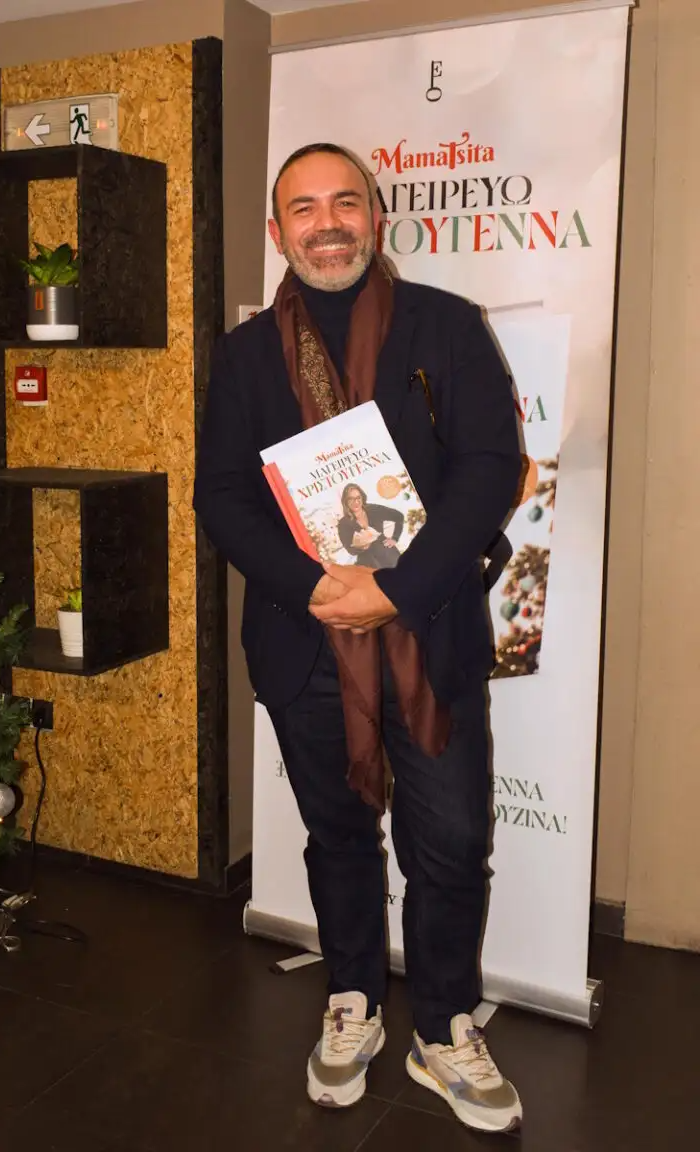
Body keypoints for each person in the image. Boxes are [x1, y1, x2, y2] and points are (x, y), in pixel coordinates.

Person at [193, 142, 523, 1135]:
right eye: (304, 208)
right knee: (337, 835)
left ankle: (446, 1025)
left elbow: (488, 470)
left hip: (429, 632)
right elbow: (223, 498)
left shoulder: (447, 326)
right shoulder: (244, 355)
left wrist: (396, 590)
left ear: (374, 219)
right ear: (277, 231)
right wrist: (316, 589)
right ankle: (353, 999)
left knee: (453, 843)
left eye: (346, 203)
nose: (327, 223)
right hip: (305, 643)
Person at [337, 483, 404, 568]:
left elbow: (399, 516)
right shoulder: (343, 524)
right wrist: (361, 547)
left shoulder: (373, 509)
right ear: (345, 501)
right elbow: (350, 549)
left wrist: (395, 538)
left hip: (389, 556)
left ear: (362, 497)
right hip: (369, 564)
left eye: (358, 498)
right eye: (351, 499)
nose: (356, 502)